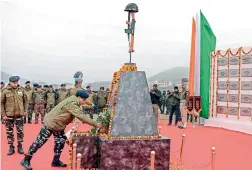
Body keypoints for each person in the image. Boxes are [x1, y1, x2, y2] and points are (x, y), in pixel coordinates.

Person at [20, 90, 102, 170]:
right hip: (51, 123)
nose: (84, 102)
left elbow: (86, 100)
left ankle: (55, 161)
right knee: (39, 142)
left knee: (60, 142)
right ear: (79, 97)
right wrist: (96, 124)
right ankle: (25, 160)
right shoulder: (72, 104)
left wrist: (91, 104)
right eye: (83, 100)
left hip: (58, 125)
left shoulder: (74, 98)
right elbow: (81, 116)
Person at [1, 76, 28, 155]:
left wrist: (25, 110)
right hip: (9, 115)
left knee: (20, 131)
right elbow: (1, 103)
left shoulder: (22, 90)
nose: (16, 84)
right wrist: (3, 115)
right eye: (14, 83)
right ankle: (11, 147)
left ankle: (20, 146)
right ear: (9, 82)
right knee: (9, 131)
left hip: (19, 114)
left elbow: (26, 101)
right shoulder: (5, 91)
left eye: (17, 82)